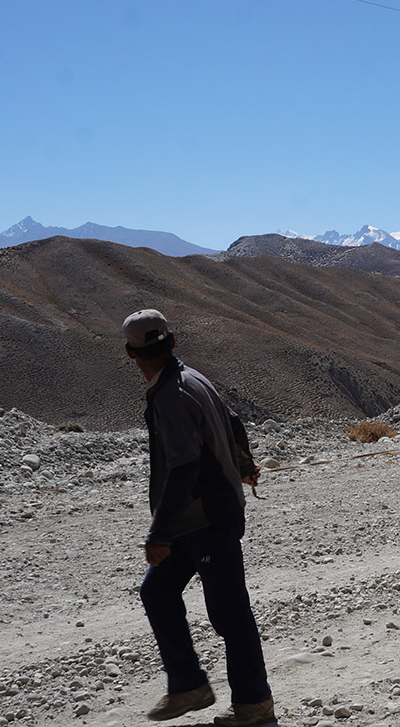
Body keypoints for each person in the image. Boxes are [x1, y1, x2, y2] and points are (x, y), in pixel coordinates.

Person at [122, 309, 276, 727]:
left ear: (130, 354)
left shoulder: (171, 394)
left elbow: (184, 466)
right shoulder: (192, 378)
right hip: (201, 517)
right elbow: (234, 422)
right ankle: (188, 685)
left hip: (206, 520)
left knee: (229, 614)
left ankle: (254, 703)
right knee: (158, 593)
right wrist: (243, 465)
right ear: (172, 344)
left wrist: (159, 532)